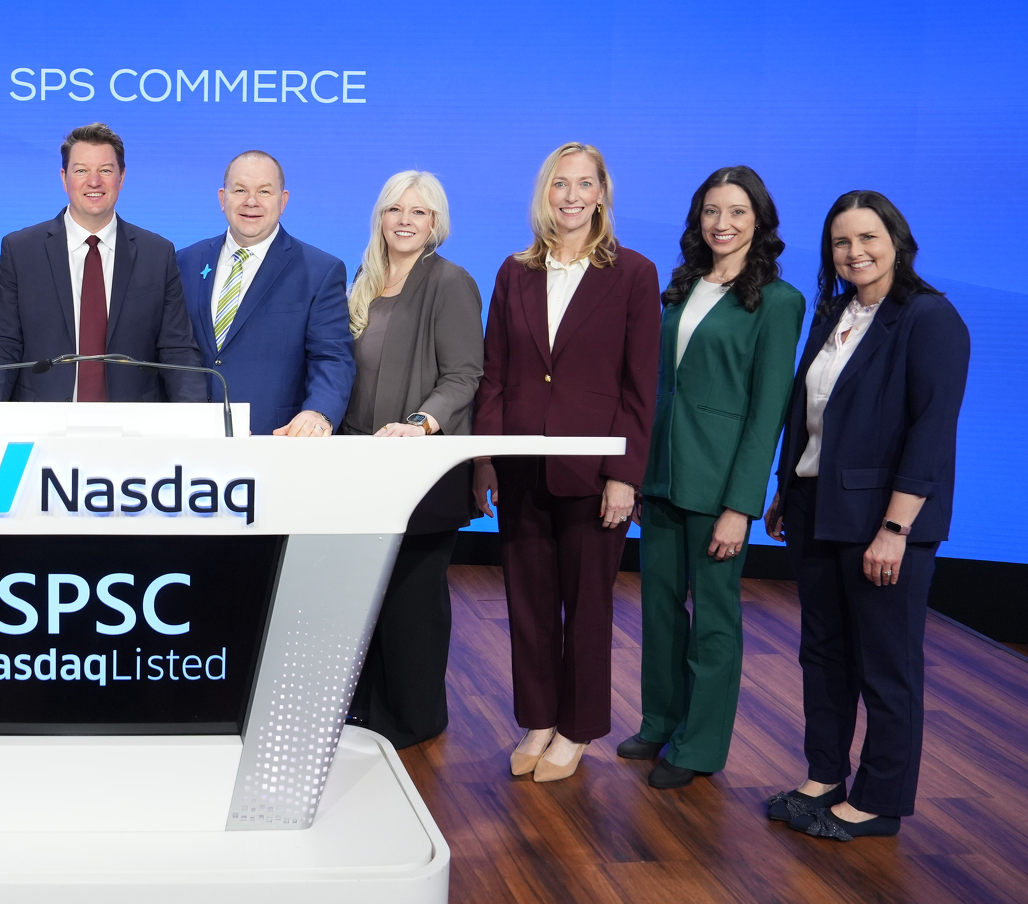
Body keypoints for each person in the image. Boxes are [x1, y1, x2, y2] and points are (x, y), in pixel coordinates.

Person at [762, 192, 968, 840]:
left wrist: (896, 529)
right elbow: (814, 416)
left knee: (886, 664)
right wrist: (784, 488)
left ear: (897, 240)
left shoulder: (928, 317)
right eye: (841, 242)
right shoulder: (835, 313)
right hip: (816, 509)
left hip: (883, 524)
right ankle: (825, 775)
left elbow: (930, 433)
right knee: (822, 655)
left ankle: (880, 800)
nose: (855, 252)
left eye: (867, 238)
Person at [472, 142, 659, 782]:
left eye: (585, 184)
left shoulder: (633, 273)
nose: (572, 196)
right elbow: (494, 373)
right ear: (544, 194)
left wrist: (624, 476)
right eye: (560, 184)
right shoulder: (513, 271)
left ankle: (577, 730)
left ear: (602, 192)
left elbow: (640, 388)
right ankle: (539, 719)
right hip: (522, 464)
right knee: (527, 603)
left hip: (594, 471)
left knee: (586, 606)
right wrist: (486, 459)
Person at [618, 167, 804, 788]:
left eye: (737, 212)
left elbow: (768, 410)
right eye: (711, 212)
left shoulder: (779, 302)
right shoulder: (681, 287)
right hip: (664, 475)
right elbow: (658, 387)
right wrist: (641, 475)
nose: (722, 224)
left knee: (715, 619)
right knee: (660, 609)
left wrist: (740, 505)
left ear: (759, 222)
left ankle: (699, 747)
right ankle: (661, 721)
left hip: (721, 483)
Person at [338, 171, 483, 748]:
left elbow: (464, 374)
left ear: (435, 224)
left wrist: (422, 423)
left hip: (419, 467)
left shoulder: (450, 283)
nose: (404, 219)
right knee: (362, 597)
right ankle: (365, 710)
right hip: (357, 463)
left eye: (418, 212)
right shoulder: (362, 281)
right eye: (395, 209)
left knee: (411, 600)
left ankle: (416, 719)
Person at [0, 123, 206, 403]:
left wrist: (197, 424)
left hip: (133, 429)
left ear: (121, 178)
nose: (94, 181)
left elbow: (177, 349)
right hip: (42, 423)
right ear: (64, 178)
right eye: (81, 170)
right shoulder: (21, 251)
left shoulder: (157, 254)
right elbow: (3, 345)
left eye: (106, 170)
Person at [175, 151, 354, 436]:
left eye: (264, 191)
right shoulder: (183, 262)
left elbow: (331, 357)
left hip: (276, 440)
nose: (251, 201)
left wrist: (319, 412)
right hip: (190, 436)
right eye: (240, 190)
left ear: (283, 201)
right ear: (223, 198)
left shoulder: (320, 271)